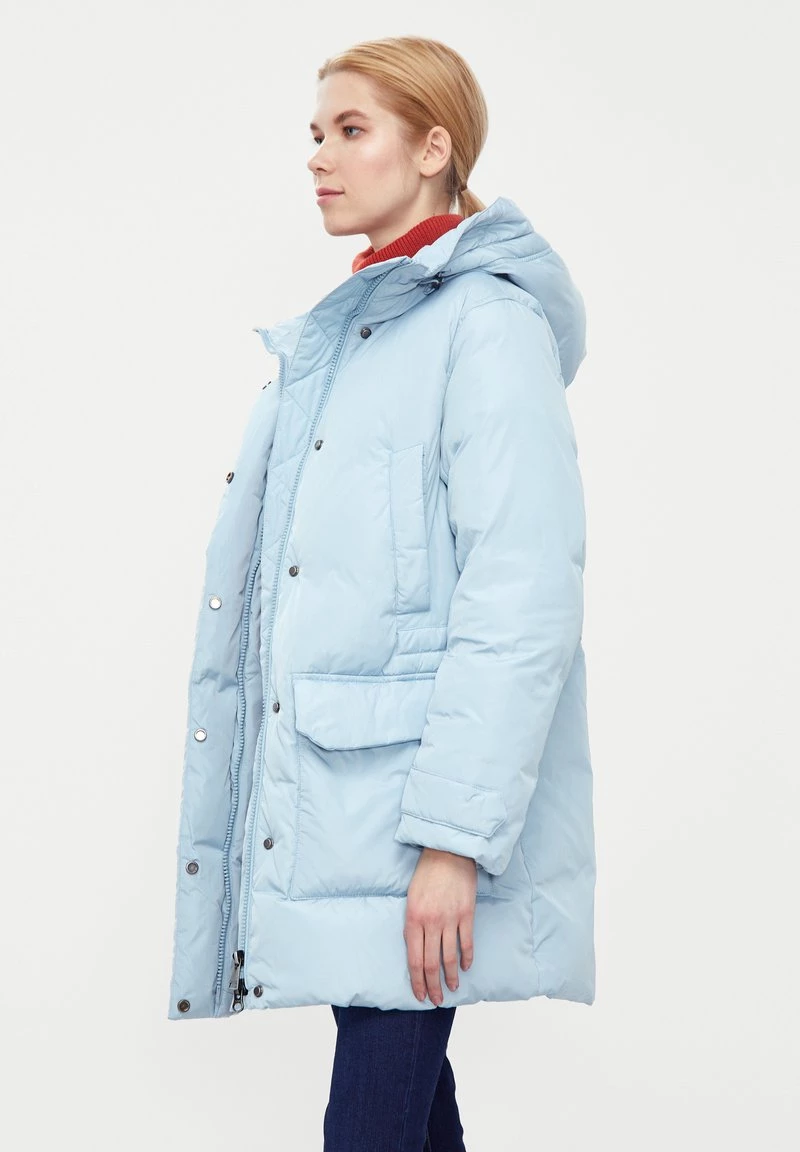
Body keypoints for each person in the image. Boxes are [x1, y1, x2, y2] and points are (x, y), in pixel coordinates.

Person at [167, 34, 596, 1152]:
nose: (319, 157)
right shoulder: (349, 338)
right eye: (315, 134)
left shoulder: (486, 327)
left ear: (433, 148)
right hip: (344, 819)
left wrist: (453, 841)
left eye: (351, 131)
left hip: (413, 830)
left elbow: (521, 595)